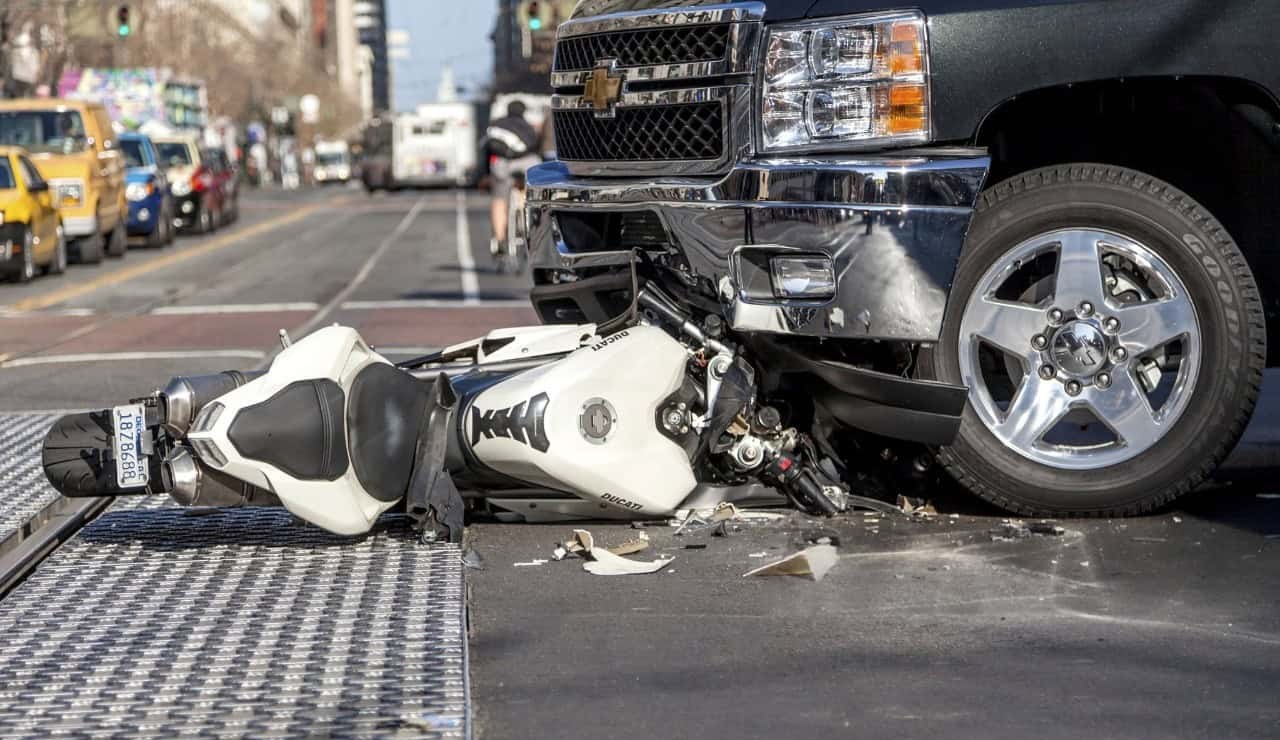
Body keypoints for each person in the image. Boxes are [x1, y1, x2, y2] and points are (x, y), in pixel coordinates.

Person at [483, 101, 541, 256]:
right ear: (523, 112)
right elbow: (536, 147)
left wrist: (485, 175)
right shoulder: (527, 127)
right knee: (525, 187)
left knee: (499, 199)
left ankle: (500, 238)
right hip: (524, 164)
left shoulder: (496, 125)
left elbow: (487, 149)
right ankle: (524, 221)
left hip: (501, 164)